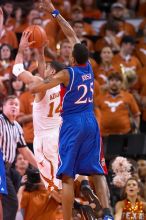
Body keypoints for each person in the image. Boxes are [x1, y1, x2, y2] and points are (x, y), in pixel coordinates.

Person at [14, 0, 113, 219]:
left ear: (71, 57)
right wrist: (55, 13)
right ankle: (106, 212)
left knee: (66, 177)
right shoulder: (87, 66)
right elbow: (71, 34)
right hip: (89, 120)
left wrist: (24, 70)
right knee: (97, 170)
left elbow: (37, 86)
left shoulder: (65, 75)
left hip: (69, 125)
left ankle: (70, 215)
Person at [13, 31, 65, 192]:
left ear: (52, 73)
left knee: (50, 185)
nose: (41, 69)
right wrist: (40, 52)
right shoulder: (63, 85)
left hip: (45, 139)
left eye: (47, 68)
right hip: (61, 134)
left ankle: (72, 207)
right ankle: (78, 200)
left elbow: (17, 70)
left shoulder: (38, 83)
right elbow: (43, 70)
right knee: (63, 179)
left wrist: (21, 50)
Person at [0, 95, 37, 220]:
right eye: (11, 103)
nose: (14, 106)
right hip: (1, 166)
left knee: (11, 201)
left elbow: (24, 150)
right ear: (3, 107)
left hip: (8, 169)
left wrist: (40, 165)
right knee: (11, 203)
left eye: (16, 104)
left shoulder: (17, 126)